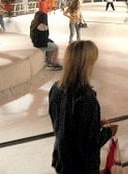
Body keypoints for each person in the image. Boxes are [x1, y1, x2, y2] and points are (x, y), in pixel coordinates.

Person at [48, 40, 118, 174]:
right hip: (81, 166)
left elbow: (64, 124)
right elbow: (89, 143)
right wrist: (109, 132)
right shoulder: (85, 97)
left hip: (62, 159)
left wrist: (94, 124)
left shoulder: (55, 89)